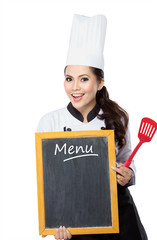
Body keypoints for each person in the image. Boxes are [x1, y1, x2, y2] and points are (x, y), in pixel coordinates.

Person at [37, 15, 148, 240]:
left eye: (84, 79)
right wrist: (55, 221)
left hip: (121, 222)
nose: (75, 87)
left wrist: (129, 175)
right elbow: (50, 185)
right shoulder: (50, 123)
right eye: (69, 79)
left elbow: (128, 160)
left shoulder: (117, 118)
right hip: (75, 224)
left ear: (100, 83)